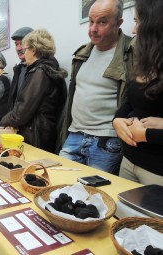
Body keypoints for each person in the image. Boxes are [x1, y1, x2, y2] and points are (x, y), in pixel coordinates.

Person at [59, 0, 133, 174]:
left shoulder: (131, 53)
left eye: (102, 22)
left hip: (106, 140)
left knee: (96, 195)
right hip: (75, 134)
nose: (93, 29)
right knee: (59, 183)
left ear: (118, 23)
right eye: (91, 21)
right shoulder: (82, 54)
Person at [113, 0, 163, 185]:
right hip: (129, 161)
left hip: (157, 172)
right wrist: (117, 119)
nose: (134, 30)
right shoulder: (147, 62)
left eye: (137, 22)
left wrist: (146, 134)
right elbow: (130, 102)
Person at [0, 29, 68, 152]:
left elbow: (23, 110)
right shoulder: (49, 68)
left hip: (36, 135)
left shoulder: (39, 72)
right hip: (44, 132)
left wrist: (3, 121)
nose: (24, 53)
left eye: (25, 49)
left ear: (33, 50)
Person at [7, 26, 33, 111]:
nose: (18, 48)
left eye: (22, 43)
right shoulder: (19, 69)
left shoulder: (42, 69)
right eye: (16, 44)